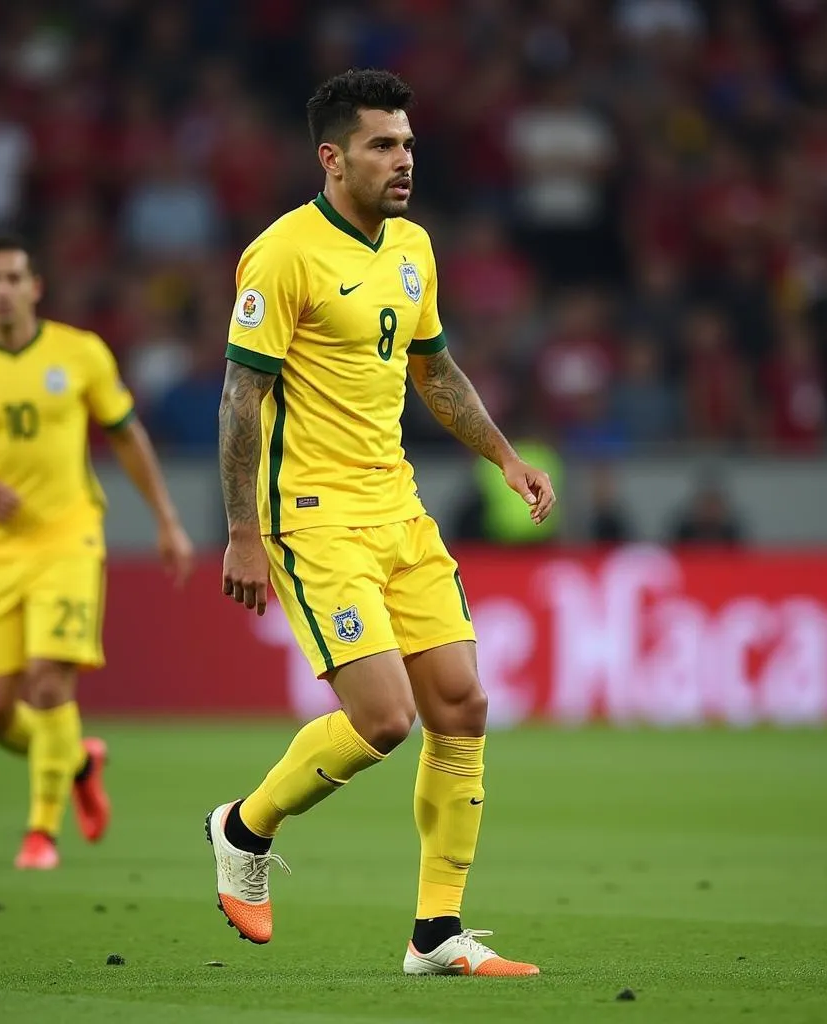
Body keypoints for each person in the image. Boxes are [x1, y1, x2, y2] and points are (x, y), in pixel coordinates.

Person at [208, 70, 556, 977]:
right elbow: (241, 395)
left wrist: (505, 457)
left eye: (406, 142)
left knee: (461, 706)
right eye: (381, 145)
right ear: (332, 157)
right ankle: (243, 827)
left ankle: (436, 934)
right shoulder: (282, 254)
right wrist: (243, 530)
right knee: (386, 719)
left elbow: (434, 371)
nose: (403, 159)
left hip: (398, 509)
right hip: (314, 519)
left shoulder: (413, 247)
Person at [0, 232, 194, 870]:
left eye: (15, 278)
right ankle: (76, 759)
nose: (4, 290)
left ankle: (41, 833)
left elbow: (126, 436)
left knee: (46, 683)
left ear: (35, 287)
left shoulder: (80, 354)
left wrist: (167, 521)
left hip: (69, 537)